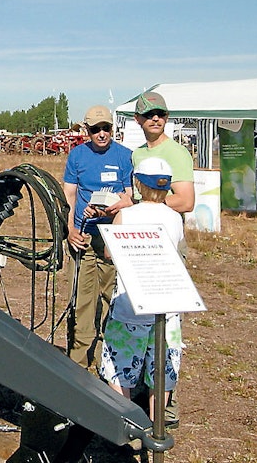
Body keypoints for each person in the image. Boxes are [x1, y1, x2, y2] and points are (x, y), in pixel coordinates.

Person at [101, 158, 185, 422]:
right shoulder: (175, 218)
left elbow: (108, 252)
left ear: (138, 183)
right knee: (160, 368)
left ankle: (127, 424)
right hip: (167, 305)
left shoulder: (126, 215)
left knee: (120, 365)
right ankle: (156, 422)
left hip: (130, 304)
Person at [63, 105, 134, 370]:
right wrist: (70, 230)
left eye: (106, 128)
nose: (101, 134)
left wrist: (115, 206)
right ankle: (78, 364)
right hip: (83, 237)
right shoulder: (77, 156)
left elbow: (130, 197)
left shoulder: (125, 156)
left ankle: (110, 365)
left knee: (112, 300)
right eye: (95, 130)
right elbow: (69, 196)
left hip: (112, 239)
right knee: (81, 302)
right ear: (87, 131)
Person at [130, 92, 195, 214]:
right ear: (137, 119)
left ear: (167, 117)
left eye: (160, 114)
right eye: (149, 115)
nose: (155, 119)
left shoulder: (177, 152)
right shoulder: (137, 153)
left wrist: (138, 205)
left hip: (164, 229)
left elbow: (186, 202)